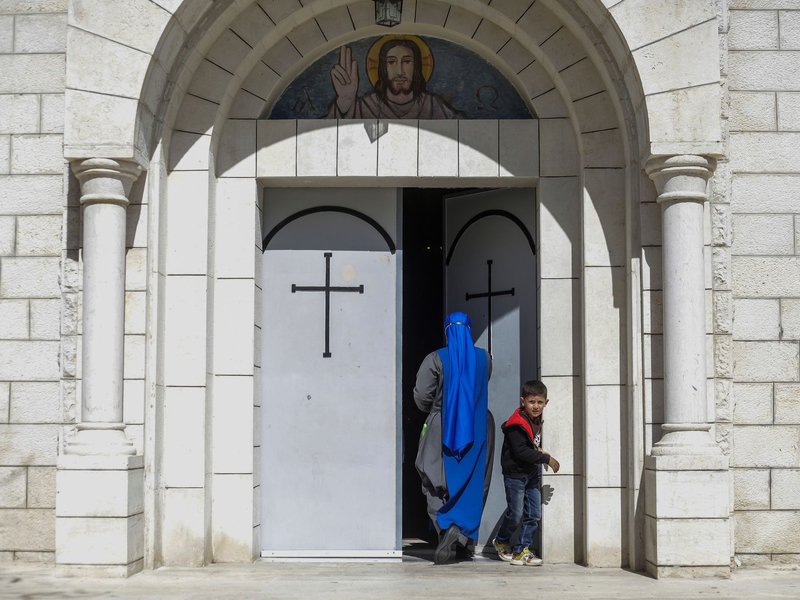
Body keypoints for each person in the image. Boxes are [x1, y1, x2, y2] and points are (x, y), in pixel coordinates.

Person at [413, 312, 492, 564]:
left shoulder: (435, 358)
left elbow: (422, 397)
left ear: (446, 332)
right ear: (469, 330)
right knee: (474, 480)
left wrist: (439, 411)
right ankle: (464, 538)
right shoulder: (485, 358)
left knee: (433, 478)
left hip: (442, 425)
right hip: (478, 425)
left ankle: (446, 528)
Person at [492, 380, 560, 566]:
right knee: (515, 513)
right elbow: (520, 450)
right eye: (531, 402)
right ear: (523, 401)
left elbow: (529, 445)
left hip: (531, 474)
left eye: (539, 402)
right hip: (515, 475)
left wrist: (538, 451)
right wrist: (546, 459)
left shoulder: (535, 420)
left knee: (534, 514)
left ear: (546, 402)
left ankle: (522, 550)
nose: (536, 406)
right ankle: (501, 540)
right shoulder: (516, 424)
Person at [326, 38, 465, 119]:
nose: (400, 72)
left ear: (416, 67)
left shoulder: (433, 106)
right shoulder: (364, 106)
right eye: (391, 62)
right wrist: (345, 100)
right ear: (382, 68)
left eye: (407, 62)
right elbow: (326, 137)